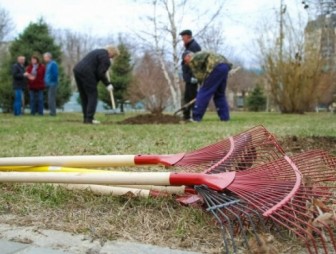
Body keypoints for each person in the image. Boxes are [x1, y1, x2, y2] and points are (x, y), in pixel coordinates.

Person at [73, 45, 119, 124]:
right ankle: (89, 119)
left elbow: (97, 71)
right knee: (92, 95)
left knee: (84, 96)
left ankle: (86, 118)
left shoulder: (97, 51)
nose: (112, 58)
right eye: (113, 56)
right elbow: (100, 73)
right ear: (111, 53)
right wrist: (108, 84)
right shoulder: (106, 59)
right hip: (87, 72)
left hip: (77, 70)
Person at [183, 51, 232, 122]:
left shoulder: (193, 59)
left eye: (185, 61)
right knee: (219, 94)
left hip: (215, 67)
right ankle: (225, 118)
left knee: (204, 92)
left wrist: (202, 87)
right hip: (225, 66)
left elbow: (199, 76)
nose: (186, 63)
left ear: (188, 57)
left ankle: (196, 117)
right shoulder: (200, 55)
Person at [180, 29, 201, 121]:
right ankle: (187, 116)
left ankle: (193, 116)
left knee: (191, 96)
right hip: (189, 77)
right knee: (187, 96)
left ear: (188, 37)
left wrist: (193, 77)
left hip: (192, 77)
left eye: (183, 37)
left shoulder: (194, 47)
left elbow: (196, 63)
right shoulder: (189, 46)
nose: (182, 40)